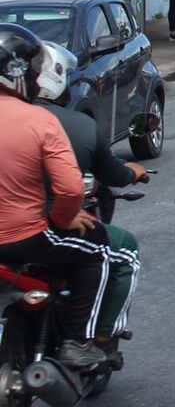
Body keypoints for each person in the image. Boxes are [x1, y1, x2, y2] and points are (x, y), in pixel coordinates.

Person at [0, 25, 109, 371]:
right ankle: (78, 342)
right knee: (96, 247)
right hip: (22, 239)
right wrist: (63, 219)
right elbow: (71, 189)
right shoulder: (39, 120)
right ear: (17, 73)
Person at [34, 42, 146, 361]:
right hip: (33, 230)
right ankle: (92, 338)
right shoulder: (69, 125)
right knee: (116, 248)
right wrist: (64, 215)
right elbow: (74, 189)